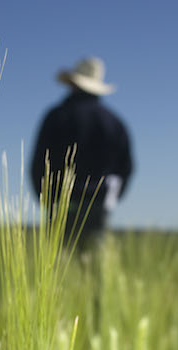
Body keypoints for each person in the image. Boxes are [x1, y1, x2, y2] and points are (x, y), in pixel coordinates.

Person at [30, 56, 134, 242]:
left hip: (60, 204)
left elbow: (39, 164)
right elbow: (126, 168)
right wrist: (109, 201)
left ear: (72, 84)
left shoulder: (55, 117)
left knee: (58, 266)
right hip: (98, 205)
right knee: (94, 264)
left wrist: (47, 200)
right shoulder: (114, 123)